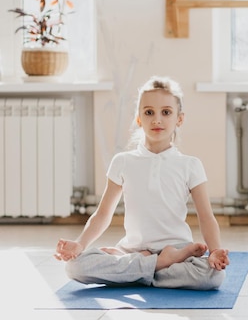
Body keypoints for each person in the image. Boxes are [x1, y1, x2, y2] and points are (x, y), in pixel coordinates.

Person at [55, 76, 229, 290]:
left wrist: (215, 251)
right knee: (74, 267)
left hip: (177, 249)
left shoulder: (190, 165)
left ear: (179, 119)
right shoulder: (123, 162)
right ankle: (160, 265)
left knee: (212, 276)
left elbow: (206, 217)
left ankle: (140, 271)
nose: (157, 119)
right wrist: (80, 244)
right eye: (149, 112)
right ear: (138, 119)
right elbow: (103, 214)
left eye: (166, 112)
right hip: (133, 249)